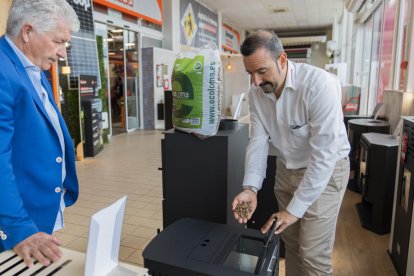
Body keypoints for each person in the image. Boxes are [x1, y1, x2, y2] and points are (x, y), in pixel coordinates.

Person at [231, 30, 350, 275]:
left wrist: (294, 209)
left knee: (313, 254)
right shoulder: (257, 93)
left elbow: (323, 157)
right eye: (250, 73)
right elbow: (258, 142)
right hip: (287, 169)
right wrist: (250, 188)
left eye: (262, 71)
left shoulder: (319, 86)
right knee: (292, 245)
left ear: (282, 60)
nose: (255, 81)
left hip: (325, 172)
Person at [0, 0, 80, 268]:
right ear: (27, 32)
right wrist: (18, 226)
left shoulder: (29, 66)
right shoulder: (2, 71)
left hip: (35, 212)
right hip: (15, 222)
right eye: (59, 42)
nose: (62, 53)